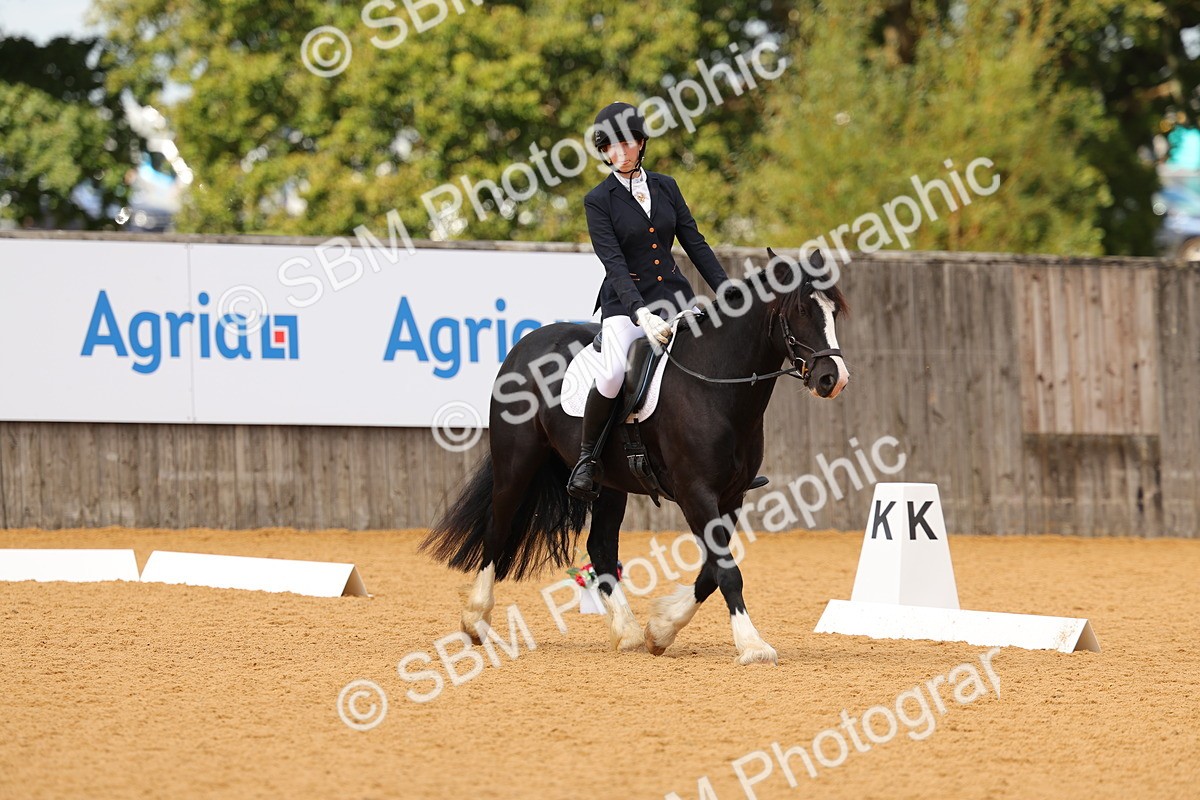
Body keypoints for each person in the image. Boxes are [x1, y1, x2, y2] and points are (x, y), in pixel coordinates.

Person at [566, 101, 732, 500]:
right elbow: (614, 263)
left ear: (641, 143)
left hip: (675, 296)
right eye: (609, 147)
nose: (618, 154)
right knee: (609, 376)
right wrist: (640, 313)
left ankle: (726, 458)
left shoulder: (666, 186)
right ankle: (588, 460)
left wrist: (726, 288)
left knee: (715, 357)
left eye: (625, 144)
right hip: (626, 305)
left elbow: (695, 243)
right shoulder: (597, 199)